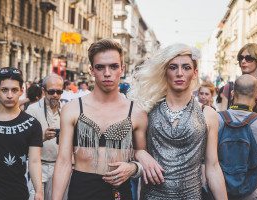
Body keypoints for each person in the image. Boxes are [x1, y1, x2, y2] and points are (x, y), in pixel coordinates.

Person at [128, 43, 227, 199]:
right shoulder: (147, 110)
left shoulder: (208, 114)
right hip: (152, 196)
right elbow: (125, 151)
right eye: (173, 67)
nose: (179, 73)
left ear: (195, 73)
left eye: (186, 68)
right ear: (165, 72)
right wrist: (139, 153)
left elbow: (213, 166)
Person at [52, 39, 147, 200]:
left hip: (118, 192)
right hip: (81, 191)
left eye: (113, 66)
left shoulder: (137, 112)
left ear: (122, 69)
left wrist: (132, 168)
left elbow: (143, 154)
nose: (107, 73)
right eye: (100, 67)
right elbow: (63, 162)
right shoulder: (72, 109)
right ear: (91, 70)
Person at [0, 67, 43, 200]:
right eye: (4, 90)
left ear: (22, 91)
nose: (10, 95)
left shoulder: (32, 124)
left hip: (17, 193)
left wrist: (39, 191)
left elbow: (34, 161)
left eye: (14, 90)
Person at [220, 43, 257, 196]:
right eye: (240, 58)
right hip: (231, 152)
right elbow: (223, 118)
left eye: (248, 58)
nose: (243, 61)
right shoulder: (230, 87)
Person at [26, 73, 64, 200]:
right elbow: (25, 140)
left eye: (59, 92)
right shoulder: (32, 109)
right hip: (38, 166)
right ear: (43, 90)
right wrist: (42, 137)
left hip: (58, 167)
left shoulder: (65, 109)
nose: (55, 95)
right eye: (51, 91)